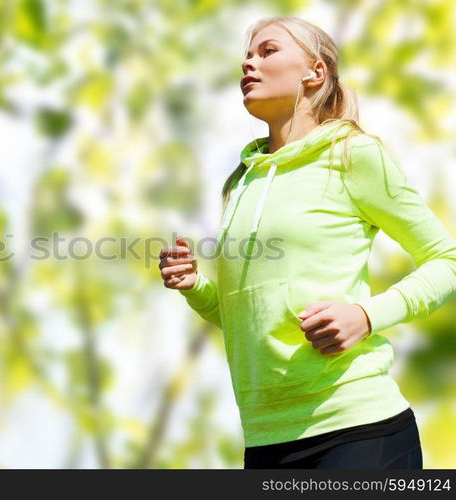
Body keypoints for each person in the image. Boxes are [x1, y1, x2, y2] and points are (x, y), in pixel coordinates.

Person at [158, 15, 456, 469]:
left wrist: (365, 315)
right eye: (246, 55)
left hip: (355, 428)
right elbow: (248, 316)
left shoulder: (352, 155)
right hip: (264, 439)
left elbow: (446, 259)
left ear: (314, 72)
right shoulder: (241, 183)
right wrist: (196, 286)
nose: (248, 63)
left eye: (267, 51)